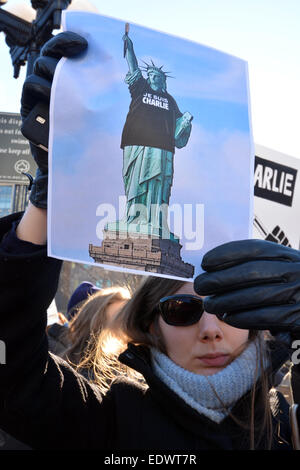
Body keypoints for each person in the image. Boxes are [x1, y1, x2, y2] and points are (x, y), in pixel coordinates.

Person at [0, 31, 300, 451]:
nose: (211, 330)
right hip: (136, 149)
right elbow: (10, 371)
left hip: (165, 155)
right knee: (141, 197)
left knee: (159, 196)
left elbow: (179, 139)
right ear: (150, 325)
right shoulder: (109, 419)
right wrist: (52, 197)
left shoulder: (289, 424)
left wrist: (185, 126)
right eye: (181, 310)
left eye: (230, 309)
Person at [117, 31, 193, 237]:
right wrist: (130, 49)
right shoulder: (139, 88)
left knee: (158, 184)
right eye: (150, 75)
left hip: (161, 149)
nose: (152, 77)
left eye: (156, 76)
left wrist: (185, 121)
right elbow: (132, 66)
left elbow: (179, 130)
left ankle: (155, 221)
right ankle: (133, 217)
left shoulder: (170, 100)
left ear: (162, 80)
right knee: (135, 182)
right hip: (137, 143)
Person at [60, 286, 130, 380]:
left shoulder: (136, 369)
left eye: (129, 316)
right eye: (117, 320)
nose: (127, 327)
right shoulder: (72, 374)